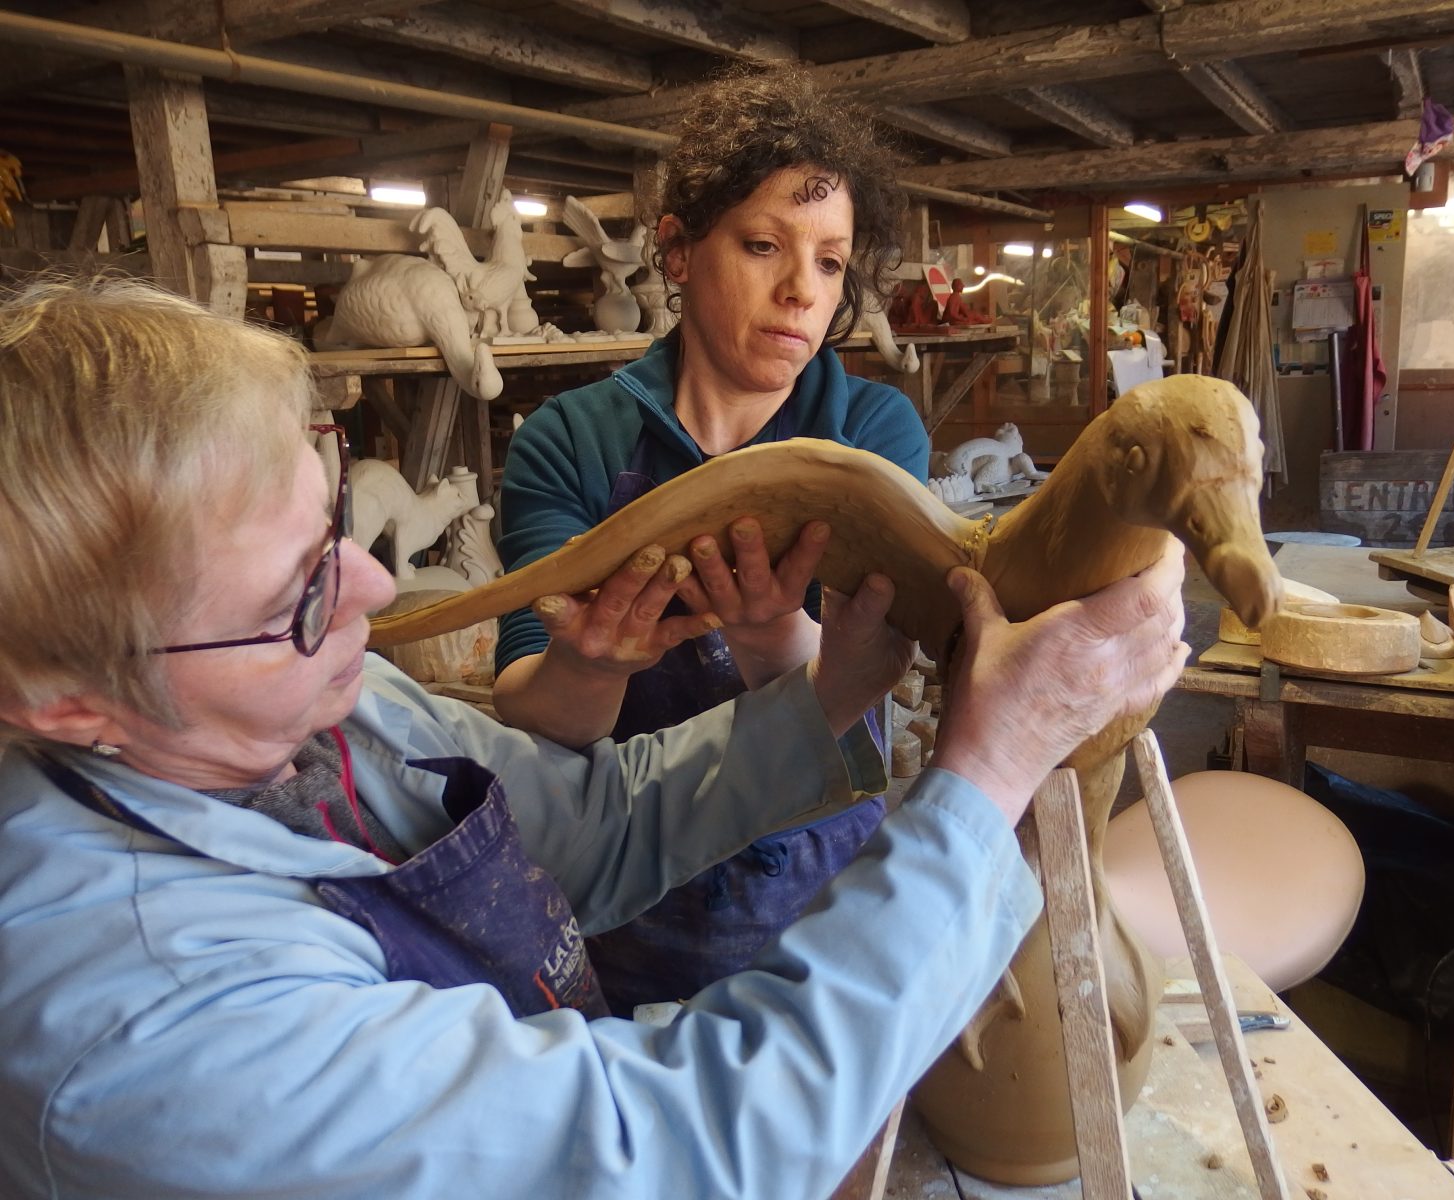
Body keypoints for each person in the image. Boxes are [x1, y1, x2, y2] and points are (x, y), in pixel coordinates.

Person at [0, 277, 1187, 1199]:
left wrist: (833, 691)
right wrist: (988, 770)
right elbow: (681, 1144)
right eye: (291, 599)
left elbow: (581, 825)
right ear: (66, 708)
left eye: (333, 527)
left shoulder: (304, 705)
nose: (368, 589)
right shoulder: (139, 1023)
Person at [495, 67, 933, 1013]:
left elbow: (868, 680)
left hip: (818, 878)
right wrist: (589, 666)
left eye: (829, 261)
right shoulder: (572, 440)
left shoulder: (874, 436)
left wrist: (773, 635)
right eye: (764, 245)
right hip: (622, 892)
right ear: (680, 250)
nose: (799, 292)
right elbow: (531, 716)